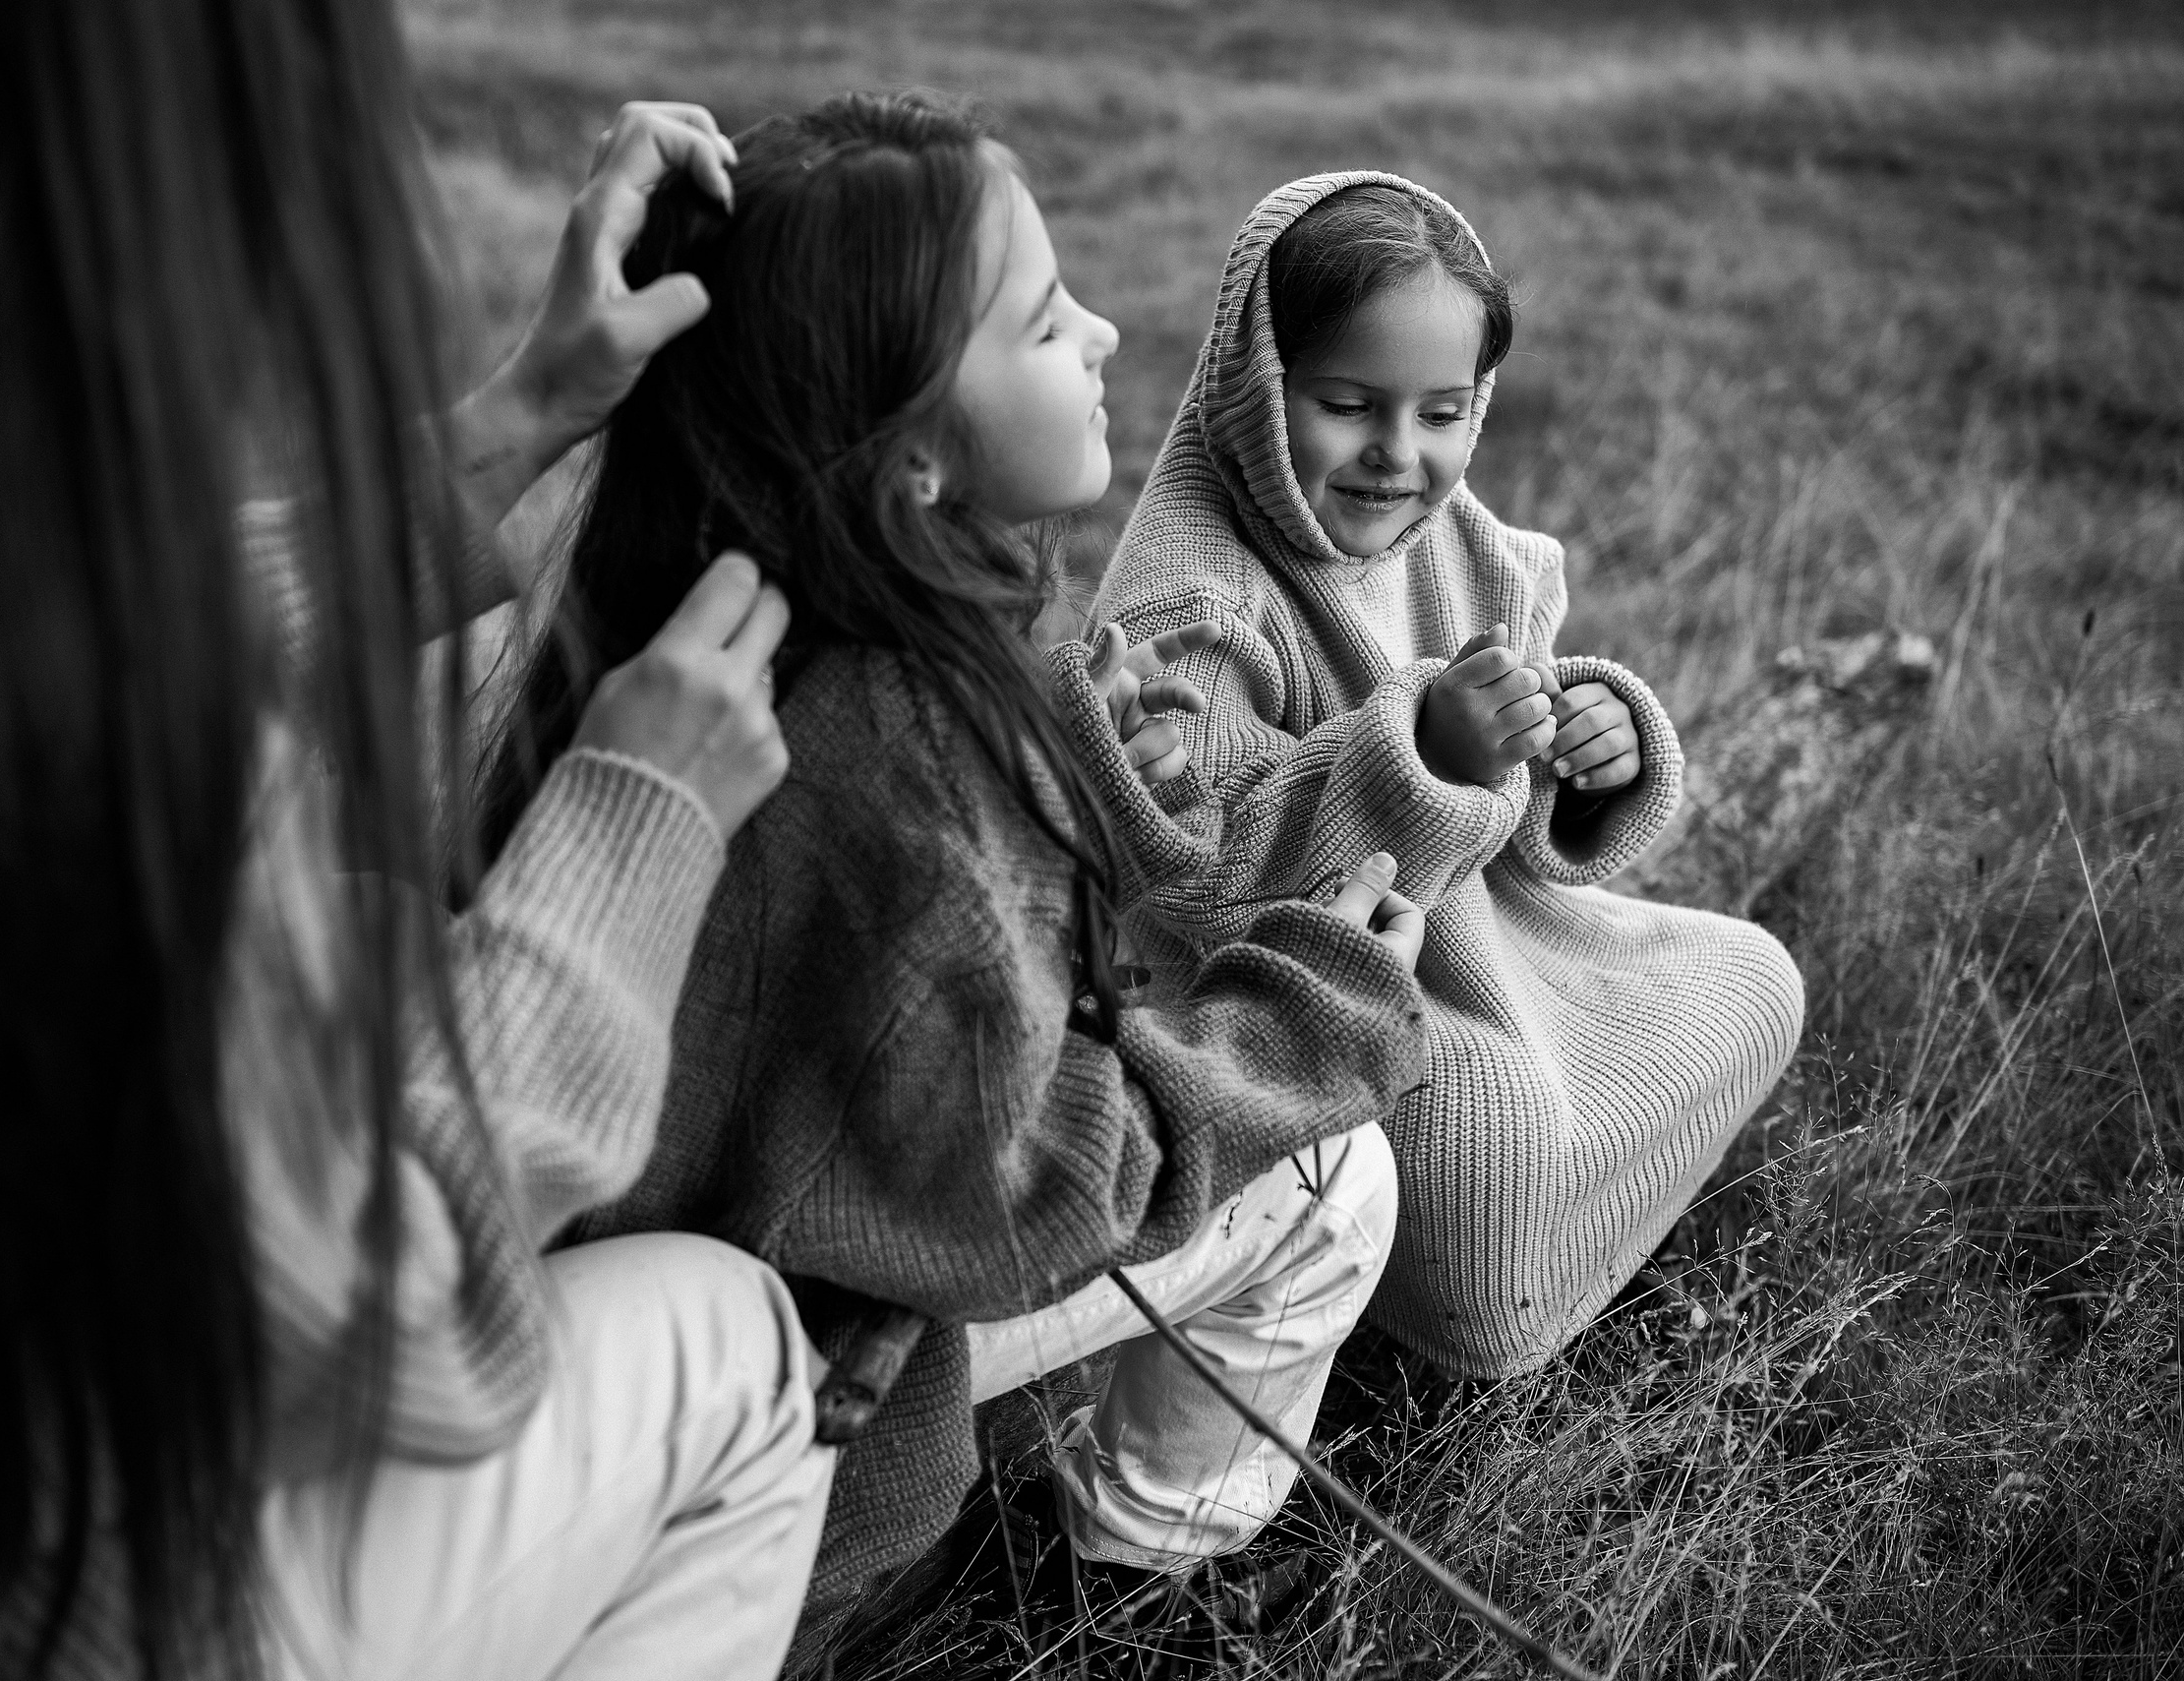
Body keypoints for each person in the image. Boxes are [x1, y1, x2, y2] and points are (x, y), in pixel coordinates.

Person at [0, 0, 830, 1672]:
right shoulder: (82, 789)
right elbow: (399, 1325)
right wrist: (626, 836)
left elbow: (53, 615)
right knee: (734, 1350)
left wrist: (519, 414)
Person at [477, 91, 1434, 1645]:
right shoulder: (898, 757)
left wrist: (1059, 759)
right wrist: (1314, 1002)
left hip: (643, 1361)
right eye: (1049, 321)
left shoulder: (687, 614)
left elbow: (868, 976)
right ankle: (1123, 1587)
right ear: (914, 460)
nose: (1110, 333)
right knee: (1340, 1179)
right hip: (774, 1525)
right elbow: (1052, 1193)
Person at [1091, 173, 1807, 1380]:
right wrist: (1423, 754)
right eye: (1348, 403)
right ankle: (1459, 1332)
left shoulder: (1458, 534)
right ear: (1256, 386)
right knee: (1497, 1142)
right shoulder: (1194, 592)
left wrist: (1584, 739)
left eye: (1440, 412)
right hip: (1306, 980)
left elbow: (1520, 813)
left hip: (1489, 933)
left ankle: (1583, 1264)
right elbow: (1201, 875)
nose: (1396, 454)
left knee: (1752, 976)